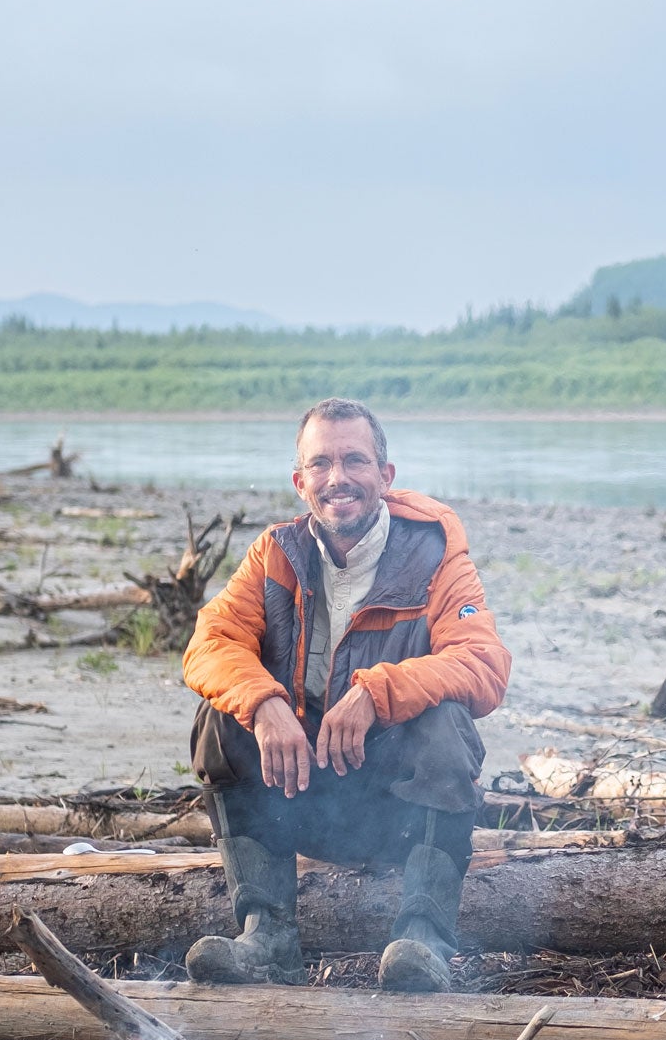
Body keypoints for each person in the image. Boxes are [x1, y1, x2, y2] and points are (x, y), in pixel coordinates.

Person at [179, 399, 510, 991]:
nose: (339, 478)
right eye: (322, 463)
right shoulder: (276, 553)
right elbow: (211, 641)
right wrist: (264, 701)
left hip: (396, 810)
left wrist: (377, 692)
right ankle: (268, 937)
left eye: (355, 460)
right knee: (219, 721)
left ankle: (424, 941)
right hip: (301, 797)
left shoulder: (435, 555)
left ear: (385, 476)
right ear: (300, 480)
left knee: (446, 719)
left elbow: (483, 663)